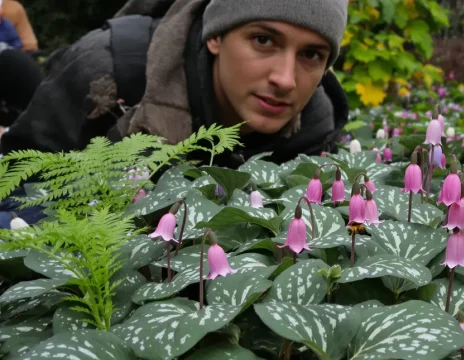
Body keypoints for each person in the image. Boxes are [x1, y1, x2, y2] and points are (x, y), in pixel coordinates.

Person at [0, 0, 350, 228]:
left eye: (311, 55)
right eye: (263, 40)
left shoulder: (314, 122)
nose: (285, 80)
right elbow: (16, 181)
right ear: (216, 36)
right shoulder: (105, 73)